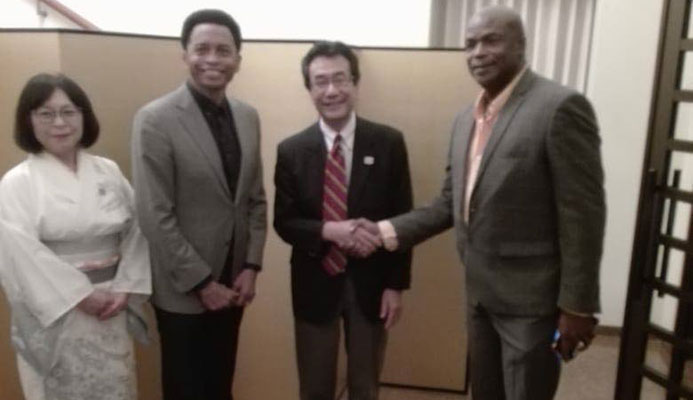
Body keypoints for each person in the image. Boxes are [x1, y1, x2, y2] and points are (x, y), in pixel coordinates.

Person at [372, 6, 605, 400]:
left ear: (521, 46)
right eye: (470, 43)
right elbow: (452, 202)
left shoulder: (559, 107)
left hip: (533, 300)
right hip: (480, 292)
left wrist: (578, 306)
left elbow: (582, 214)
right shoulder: (466, 119)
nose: (478, 52)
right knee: (486, 392)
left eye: (491, 40)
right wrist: (384, 231)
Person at [131, 9, 267, 400]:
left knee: (220, 384)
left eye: (223, 51)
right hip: (183, 289)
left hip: (234, 282)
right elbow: (154, 214)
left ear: (238, 60)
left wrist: (252, 266)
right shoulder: (154, 119)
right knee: (186, 389)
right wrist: (202, 282)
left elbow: (254, 199)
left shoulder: (247, 116)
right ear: (184, 54)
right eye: (202, 49)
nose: (213, 59)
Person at [274, 41, 413, 400]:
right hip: (314, 283)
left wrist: (395, 286)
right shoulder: (291, 150)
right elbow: (285, 222)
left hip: (372, 282)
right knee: (315, 386)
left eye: (340, 79)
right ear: (309, 89)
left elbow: (403, 220)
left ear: (355, 83)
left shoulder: (388, 142)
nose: (332, 90)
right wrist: (329, 230)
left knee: (365, 384)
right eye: (321, 81)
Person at [0, 73, 151, 400]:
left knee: (116, 387)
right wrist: (79, 295)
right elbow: (18, 255)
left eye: (69, 112)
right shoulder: (17, 183)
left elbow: (138, 230)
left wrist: (126, 286)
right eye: (46, 113)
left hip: (112, 302)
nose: (59, 123)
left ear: (84, 116)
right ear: (29, 120)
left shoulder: (107, 172)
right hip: (58, 312)